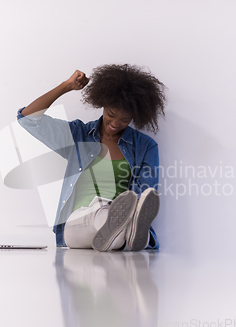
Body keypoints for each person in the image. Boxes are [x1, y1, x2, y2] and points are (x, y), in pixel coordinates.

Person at [17, 64, 166, 251]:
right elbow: (28, 119)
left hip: (116, 233)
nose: (115, 123)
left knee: (119, 225)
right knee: (101, 211)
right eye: (111, 114)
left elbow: (146, 193)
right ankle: (128, 229)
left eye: (124, 119)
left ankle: (125, 228)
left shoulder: (145, 146)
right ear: (102, 104)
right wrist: (66, 86)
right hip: (77, 224)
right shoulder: (78, 135)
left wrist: (134, 207)